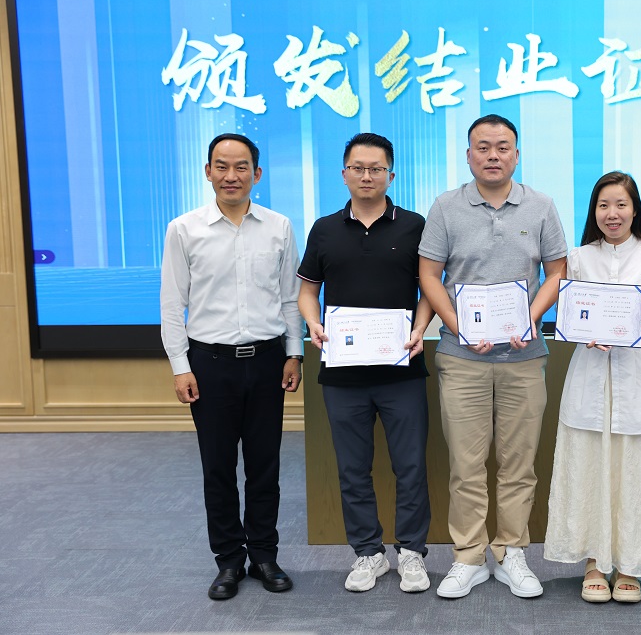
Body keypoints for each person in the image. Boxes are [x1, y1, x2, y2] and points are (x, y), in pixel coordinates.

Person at [418, 114, 567, 599]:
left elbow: (557, 271)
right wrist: (459, 326)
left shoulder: (541, 205)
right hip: (462, 358)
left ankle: (510, 552)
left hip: (524, 357)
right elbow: (429, 276)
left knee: (518, 463)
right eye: (483, 147)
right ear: (469, 156)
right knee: (466, 464)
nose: (493, 156)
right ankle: (468, 556)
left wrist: (529, 318)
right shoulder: (446, 207)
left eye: (503, 147)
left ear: (516, 154)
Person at [160, 133, 303, 600]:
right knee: (218, 468)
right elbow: (172, 304)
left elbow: (290, 298)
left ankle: (264, 555)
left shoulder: (279, 226)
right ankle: (228, 560)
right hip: (210, 364)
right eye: (221, 166)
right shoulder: (184, 229)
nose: (231, 175)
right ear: (208, 172)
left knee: (265, 466)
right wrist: (180, 366)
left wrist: (294, 353)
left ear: (256, 174)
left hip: (267, 362)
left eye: (241, 167)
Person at [297, 133, 433, 593]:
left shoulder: (414, 226)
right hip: (343, 373)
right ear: (344, 174)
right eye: (358, 168)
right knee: (352, 469)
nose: (367, 176)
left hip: (402, 370)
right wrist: (313, 324)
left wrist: (420, 329)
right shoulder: (324, 229)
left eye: (376, 168)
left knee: (410, 466)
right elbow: (307, 290)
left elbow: (430, 289)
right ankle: (368, 553)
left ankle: (411, 552)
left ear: (391, 175)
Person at [544, 172, 641, 604]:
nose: (612, 214)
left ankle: (629, 565)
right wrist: (581, 327)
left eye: (621, 204)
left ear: (635, 209)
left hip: (635, 374)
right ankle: (593, 562)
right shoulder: (578, 257)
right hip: (589, 373)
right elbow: (569, 313)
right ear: (594, 211)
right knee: (589, 462)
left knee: (633, 466)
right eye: (603, 205)